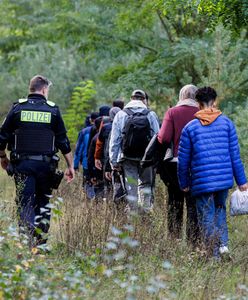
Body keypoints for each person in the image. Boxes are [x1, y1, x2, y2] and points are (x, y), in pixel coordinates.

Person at [0, 75, 75, 248]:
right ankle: (40, 244)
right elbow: (63, 141)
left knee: (25, 202)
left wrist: (3, 158)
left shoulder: (17, 109)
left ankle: (27, 242)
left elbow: (1, 137)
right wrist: (70, 165)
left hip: (22, 166)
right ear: (44, 89)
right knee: (43, 202)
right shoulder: (53, 110)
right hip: (45, 167)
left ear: (31, 89)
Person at [178, 86, 248, 258]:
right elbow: (234, 156)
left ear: (198, 104)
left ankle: (213, 254)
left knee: (206, 216)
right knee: (219, 210)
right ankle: (223, 246)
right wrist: (242, 181)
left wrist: (184, 182)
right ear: (215, 102)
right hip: (223, 181)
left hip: (202, 182)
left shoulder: (190, 128)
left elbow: (183, 161)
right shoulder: (227, 124)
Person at [158, 84, 199, 244]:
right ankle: (193, 241)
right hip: (196, 164)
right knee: (193, 203)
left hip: (175, 163)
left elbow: (165, 138)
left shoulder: (172, 112)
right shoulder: (201, 113)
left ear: (181, 96)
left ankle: (173, 238)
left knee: (175, 200)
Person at [109, 89, 160, 213]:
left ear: (131, 99)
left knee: (131, 186)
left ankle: (133, 214)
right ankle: (146, 211)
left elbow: (115, 140)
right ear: (144, 100)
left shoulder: (121, 115)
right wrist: (157, 159)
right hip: (146, 158)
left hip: (128, 158)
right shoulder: (151, 114)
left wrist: (114, 161)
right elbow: (158, 137)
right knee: (146, 184)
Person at [74, 112, 99, 199]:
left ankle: (90, 199)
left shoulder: (84, 132)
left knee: (88, 183)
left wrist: (75, 165)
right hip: (99, 163)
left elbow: (78, 150)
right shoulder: (102, 129)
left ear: (90, 120)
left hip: (86, 163)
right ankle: (98, 202)